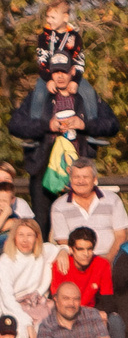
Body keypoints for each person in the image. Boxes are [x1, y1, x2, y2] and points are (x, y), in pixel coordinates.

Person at [11, 64, 116, 231]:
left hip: (78, 172)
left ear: (72, 72)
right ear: (50, 73)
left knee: (79, 226)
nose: (60, 76)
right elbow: (15, 125)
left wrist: (84, 124)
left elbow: (112, 124)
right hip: (44, 170)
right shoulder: (40, 96)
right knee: (41, 226)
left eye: (64, 71)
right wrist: (47, 126)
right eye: (55, 72)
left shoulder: (85, 96)